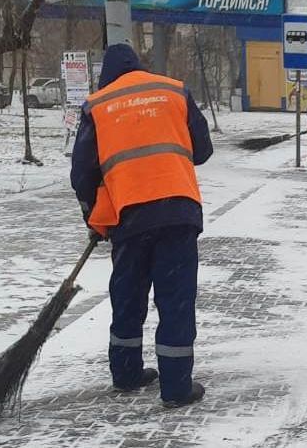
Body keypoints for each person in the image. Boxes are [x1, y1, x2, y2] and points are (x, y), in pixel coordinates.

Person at [71, 43, 213, 409]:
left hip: (129, 218)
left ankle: (126, 374)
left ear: (107, 76)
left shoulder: (97, 105)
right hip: (177, 212)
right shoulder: (174, 90)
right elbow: (202, 150)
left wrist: (94, 217)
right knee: (175, 300)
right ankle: (177, 388)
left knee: (128, 296)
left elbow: (82, 175)